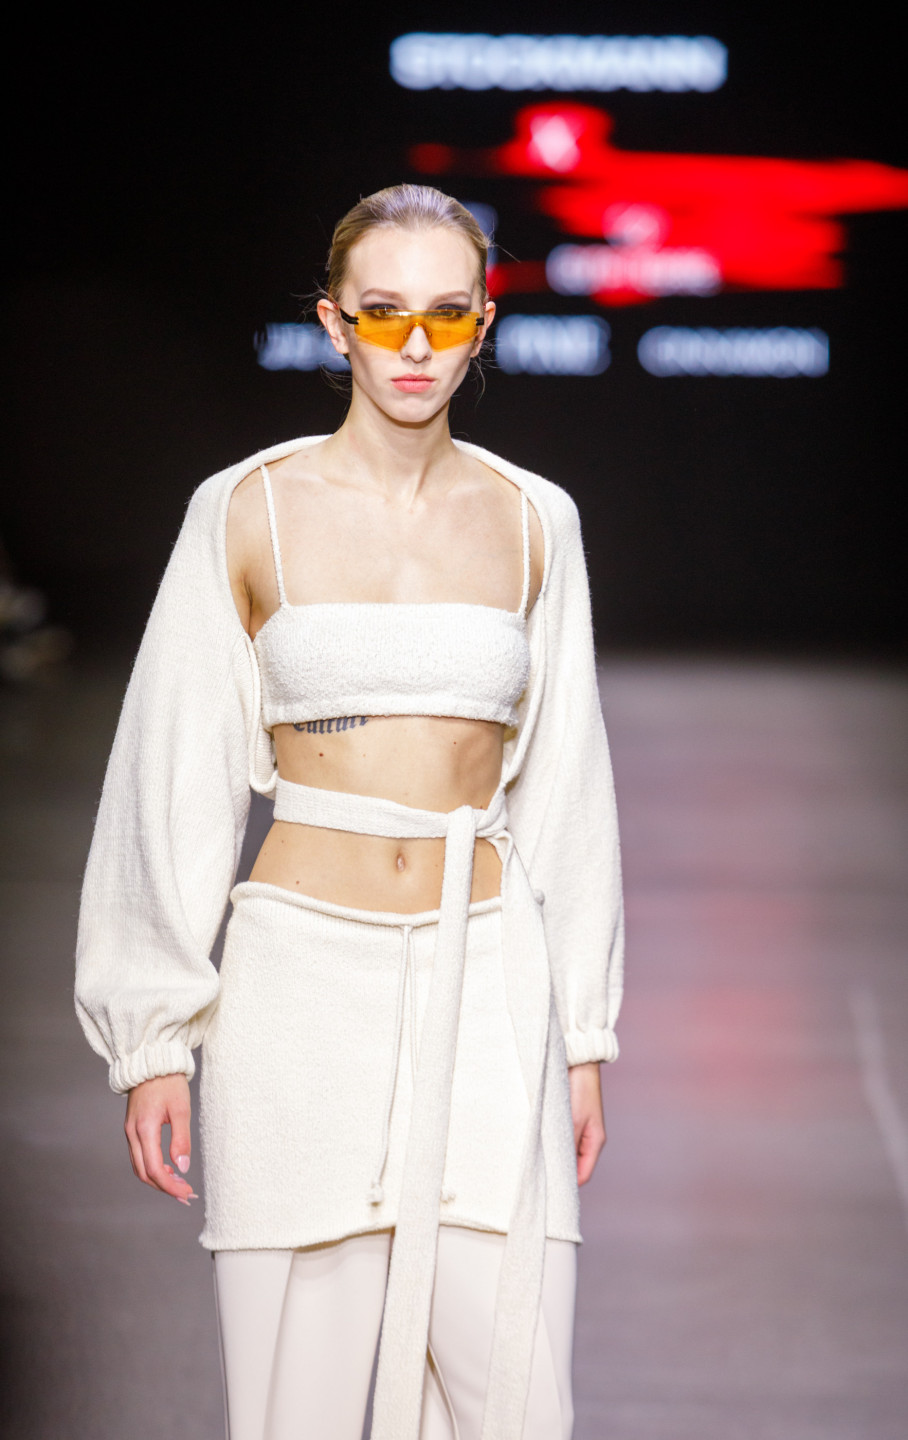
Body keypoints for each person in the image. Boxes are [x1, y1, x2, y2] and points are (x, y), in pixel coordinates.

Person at [74, 184, 624, 1440]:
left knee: (514, 1398)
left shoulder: (534, 520)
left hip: (486, 980)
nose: (414, 345)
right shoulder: (246, 509)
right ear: (333, 324)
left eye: (445, 313)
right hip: (298, 991)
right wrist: (152, 1036)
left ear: (483, 325)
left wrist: (580, 1033)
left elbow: (566, 784)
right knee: (299, 1407)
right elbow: (172, 771)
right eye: (383, 313)